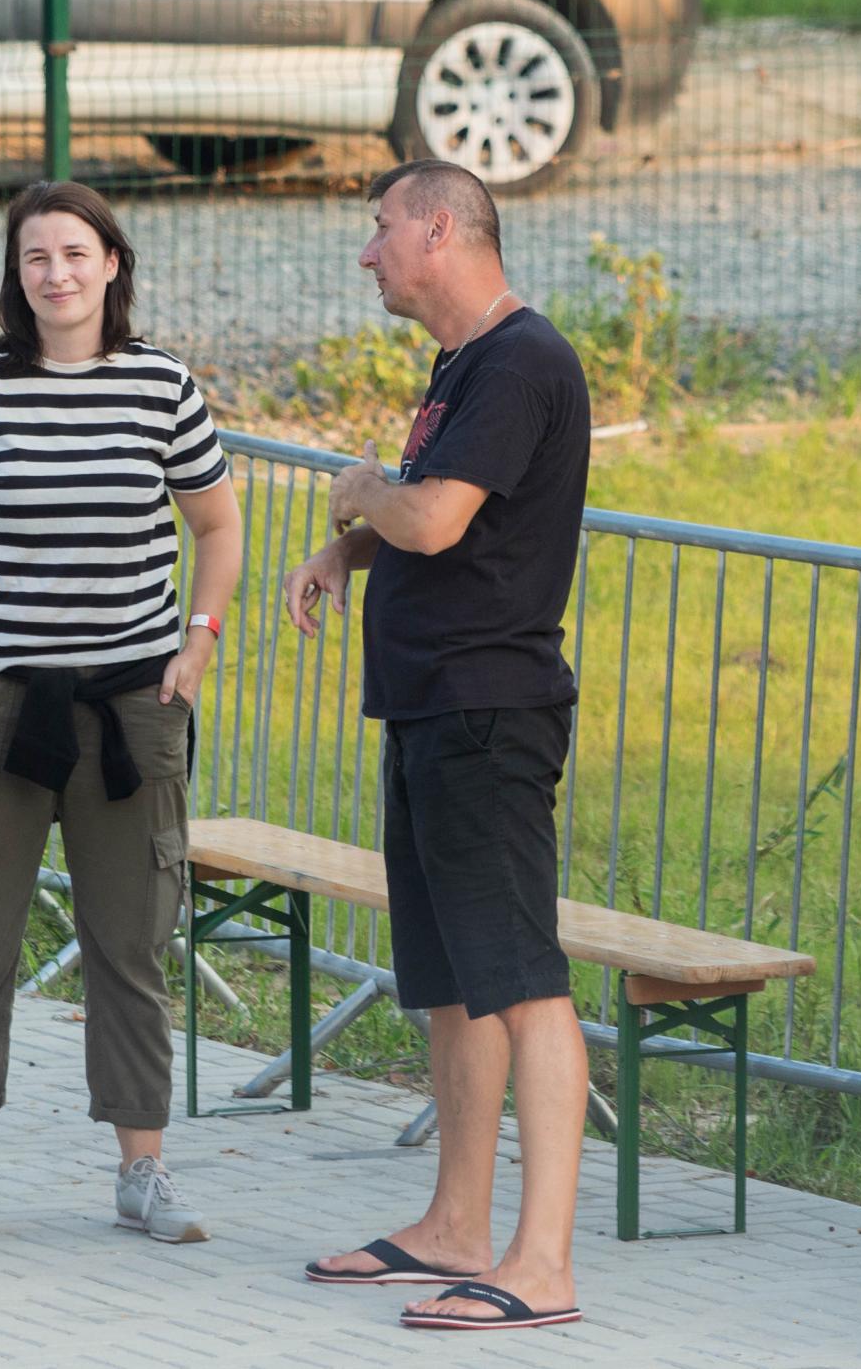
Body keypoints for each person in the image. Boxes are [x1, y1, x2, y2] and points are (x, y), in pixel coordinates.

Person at [0, 180, 244, 1246]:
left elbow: (218, 524)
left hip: (130, 706)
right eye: (36, 256)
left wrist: (197, 640)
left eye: (75, 253)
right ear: (16, 274)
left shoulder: (162, 386)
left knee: (131, 945)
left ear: (112, 263)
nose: (56, 273)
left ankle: (143, 1169)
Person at [282, 159, 592, 1334]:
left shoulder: (519, 361)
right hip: (430, 711)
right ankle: (457, 1224)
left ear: (441, 231)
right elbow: (445, 515)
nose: (368, 253)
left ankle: (542, 1262)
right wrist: (346, 550)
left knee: (523, 982)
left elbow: (433, 514)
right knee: (456, 984)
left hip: (488, 714)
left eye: (381, 229)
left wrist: (363, 490)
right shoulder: (464, 365)